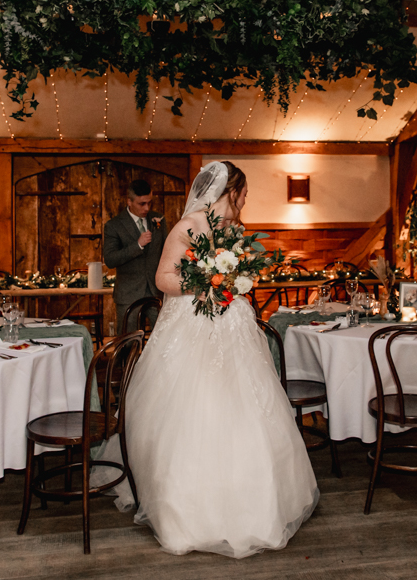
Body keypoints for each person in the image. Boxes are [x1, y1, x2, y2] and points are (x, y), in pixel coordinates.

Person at [95, 161, 319, 558]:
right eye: (244, 192)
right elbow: (165, 278)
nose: (247, 199)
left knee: (247, 404)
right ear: (229, 192)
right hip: (192, 322)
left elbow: (236, 272)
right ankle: (188, 510)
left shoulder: (233, 231)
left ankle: (258, 501)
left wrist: (234, 278)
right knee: (196, 405)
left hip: (232, 324)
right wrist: (205, 281)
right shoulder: (189, 226)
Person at [103, 179, 166, 333]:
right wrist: (137, 245)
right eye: (141, 204)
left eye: (149, 203)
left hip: (155, 290)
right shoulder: (114, 225)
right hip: (128, 293)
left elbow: (166, 250)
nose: (146, 208)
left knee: (162, 339)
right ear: (129, 201)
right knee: (128, 342)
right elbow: (110, 259)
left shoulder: (158, 219)